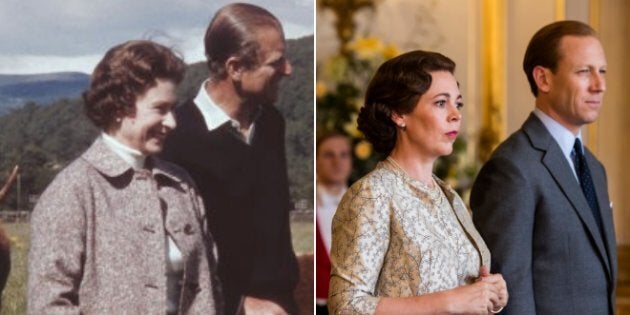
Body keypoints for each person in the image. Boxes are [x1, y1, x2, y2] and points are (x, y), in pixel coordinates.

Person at [27, 40, 222, 314]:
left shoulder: (181, 184)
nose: (172, 122)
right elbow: (47, 305)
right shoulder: (71, 193)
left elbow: (210, 287)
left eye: (173, 109)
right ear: (120, 106)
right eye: (160, 108)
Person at [328, 50, 508, 314]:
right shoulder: (372, 193)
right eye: (440, 103)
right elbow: (345, 306)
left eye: (457, 103)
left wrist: (492, 292)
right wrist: (452, 302)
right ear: (399, 114)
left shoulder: (449, 196)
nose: (455, 114)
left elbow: (462, 288)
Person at [470, 20, 617, 314]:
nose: (599, 85)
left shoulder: (594, 168)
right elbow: (509, 293)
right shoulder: (511, 167)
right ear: (543, 79)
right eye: (584, 71)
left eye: (601, 71)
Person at [160, 3, 298, 314]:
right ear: (235, 68)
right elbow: (176, 253)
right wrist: (239, 303)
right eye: (276, 62)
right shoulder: (174, 139)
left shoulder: (271, 123)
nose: (288, 70)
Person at [315, 132, 352, 314]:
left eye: (344, 155)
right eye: (329, 155)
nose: (337, 162)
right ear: (316, 161)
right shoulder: (304, 206)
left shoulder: (367, 204)